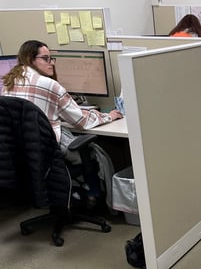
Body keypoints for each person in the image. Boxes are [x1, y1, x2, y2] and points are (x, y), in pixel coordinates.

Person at [1, 40, 123, 204]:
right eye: (46, 59)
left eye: (52, 59)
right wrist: (109, 116)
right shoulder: (49, 84)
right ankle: (94, 196)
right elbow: (81, 121)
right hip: (47, 152)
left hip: (21, 153)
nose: (51, 64)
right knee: (95, 151)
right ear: (31, 59)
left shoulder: (8, 83)